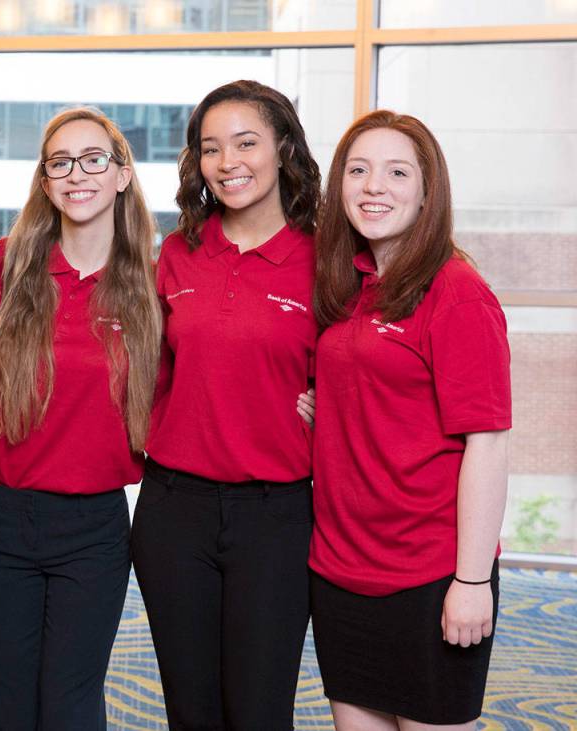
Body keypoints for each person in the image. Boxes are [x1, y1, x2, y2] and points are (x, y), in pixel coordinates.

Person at [309, 110, 511, 730]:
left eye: (397, 172)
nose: (375, 187)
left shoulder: (457, 293)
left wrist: (472, 580)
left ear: (428, 192)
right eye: (359, 170)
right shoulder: (350, 285)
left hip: (430, 573)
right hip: (340, 568)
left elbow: (489, 443)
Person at [130, 80, 322, 730]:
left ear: (284, 149)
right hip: (173, 512)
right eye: (211, 148)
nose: (228, 161)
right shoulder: (177, 253)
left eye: (246, 142)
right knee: (190, 711)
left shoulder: (326, 260)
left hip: (277, 516)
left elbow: (359, 367)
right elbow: (147, 372)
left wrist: (336, 406)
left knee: (260, 712)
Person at [0, 107, 161, 730]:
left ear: (122, 174)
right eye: (60, 162)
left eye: (93, 159)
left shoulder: (155, 283)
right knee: (7, 701)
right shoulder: (9, 265)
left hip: (94, 526)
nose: (77, 174)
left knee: (70, 704)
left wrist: (313, 398)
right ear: (46, 180)